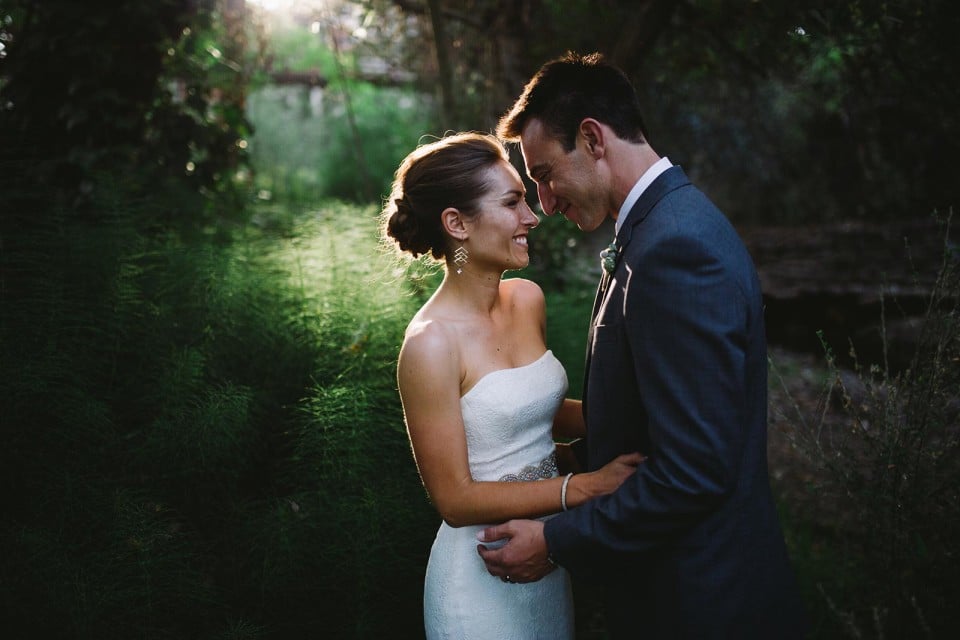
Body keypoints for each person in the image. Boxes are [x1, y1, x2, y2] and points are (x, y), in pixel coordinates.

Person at [477, 52, 808, 639]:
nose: (545, 203)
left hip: (701, 604)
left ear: (592, 139)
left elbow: (693, 470)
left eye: (547, 174)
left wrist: (555, 540)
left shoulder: (676, 250)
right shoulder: (660, 227)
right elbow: (661, 414)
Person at [382, 131, 642, 639]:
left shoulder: (527, 299)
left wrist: (640, 414)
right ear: (456, 223)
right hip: (479, 577)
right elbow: (454, 500)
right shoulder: (430, 346)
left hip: (542, 558)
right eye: (512, 202)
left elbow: (534, 409)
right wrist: (585, 486)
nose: (532, 217)